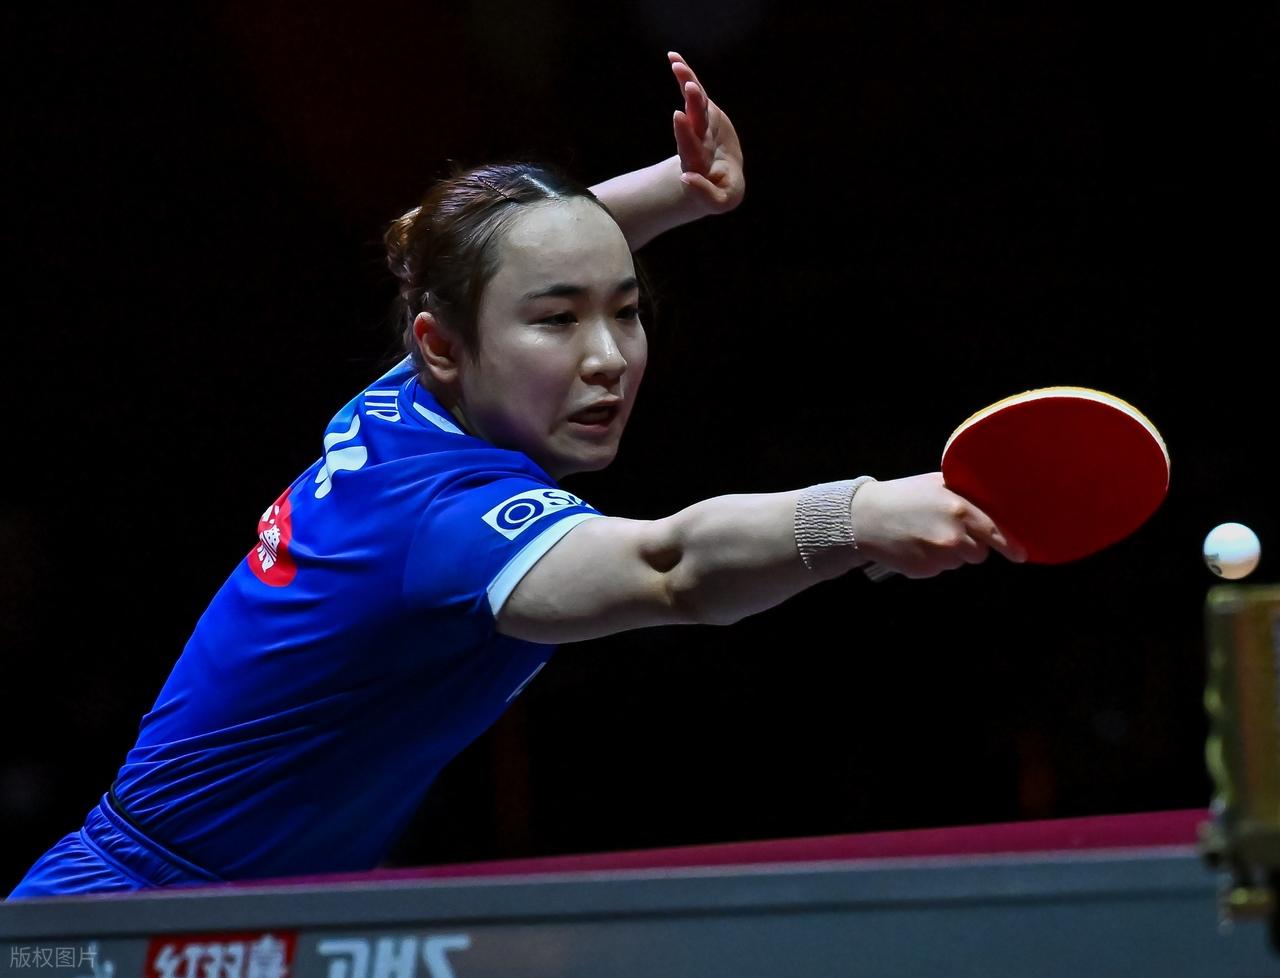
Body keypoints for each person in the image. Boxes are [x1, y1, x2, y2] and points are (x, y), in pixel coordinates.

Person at [8, 53, 1024, 899]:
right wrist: (856, 513)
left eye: (625, 311)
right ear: (443, 345)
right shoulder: (441, 520)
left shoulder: (402, 401)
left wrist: (677, 191)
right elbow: (671, 568)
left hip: (271, 911)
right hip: (138, 916)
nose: (608, 358)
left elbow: (486, 264)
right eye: (558, 321)